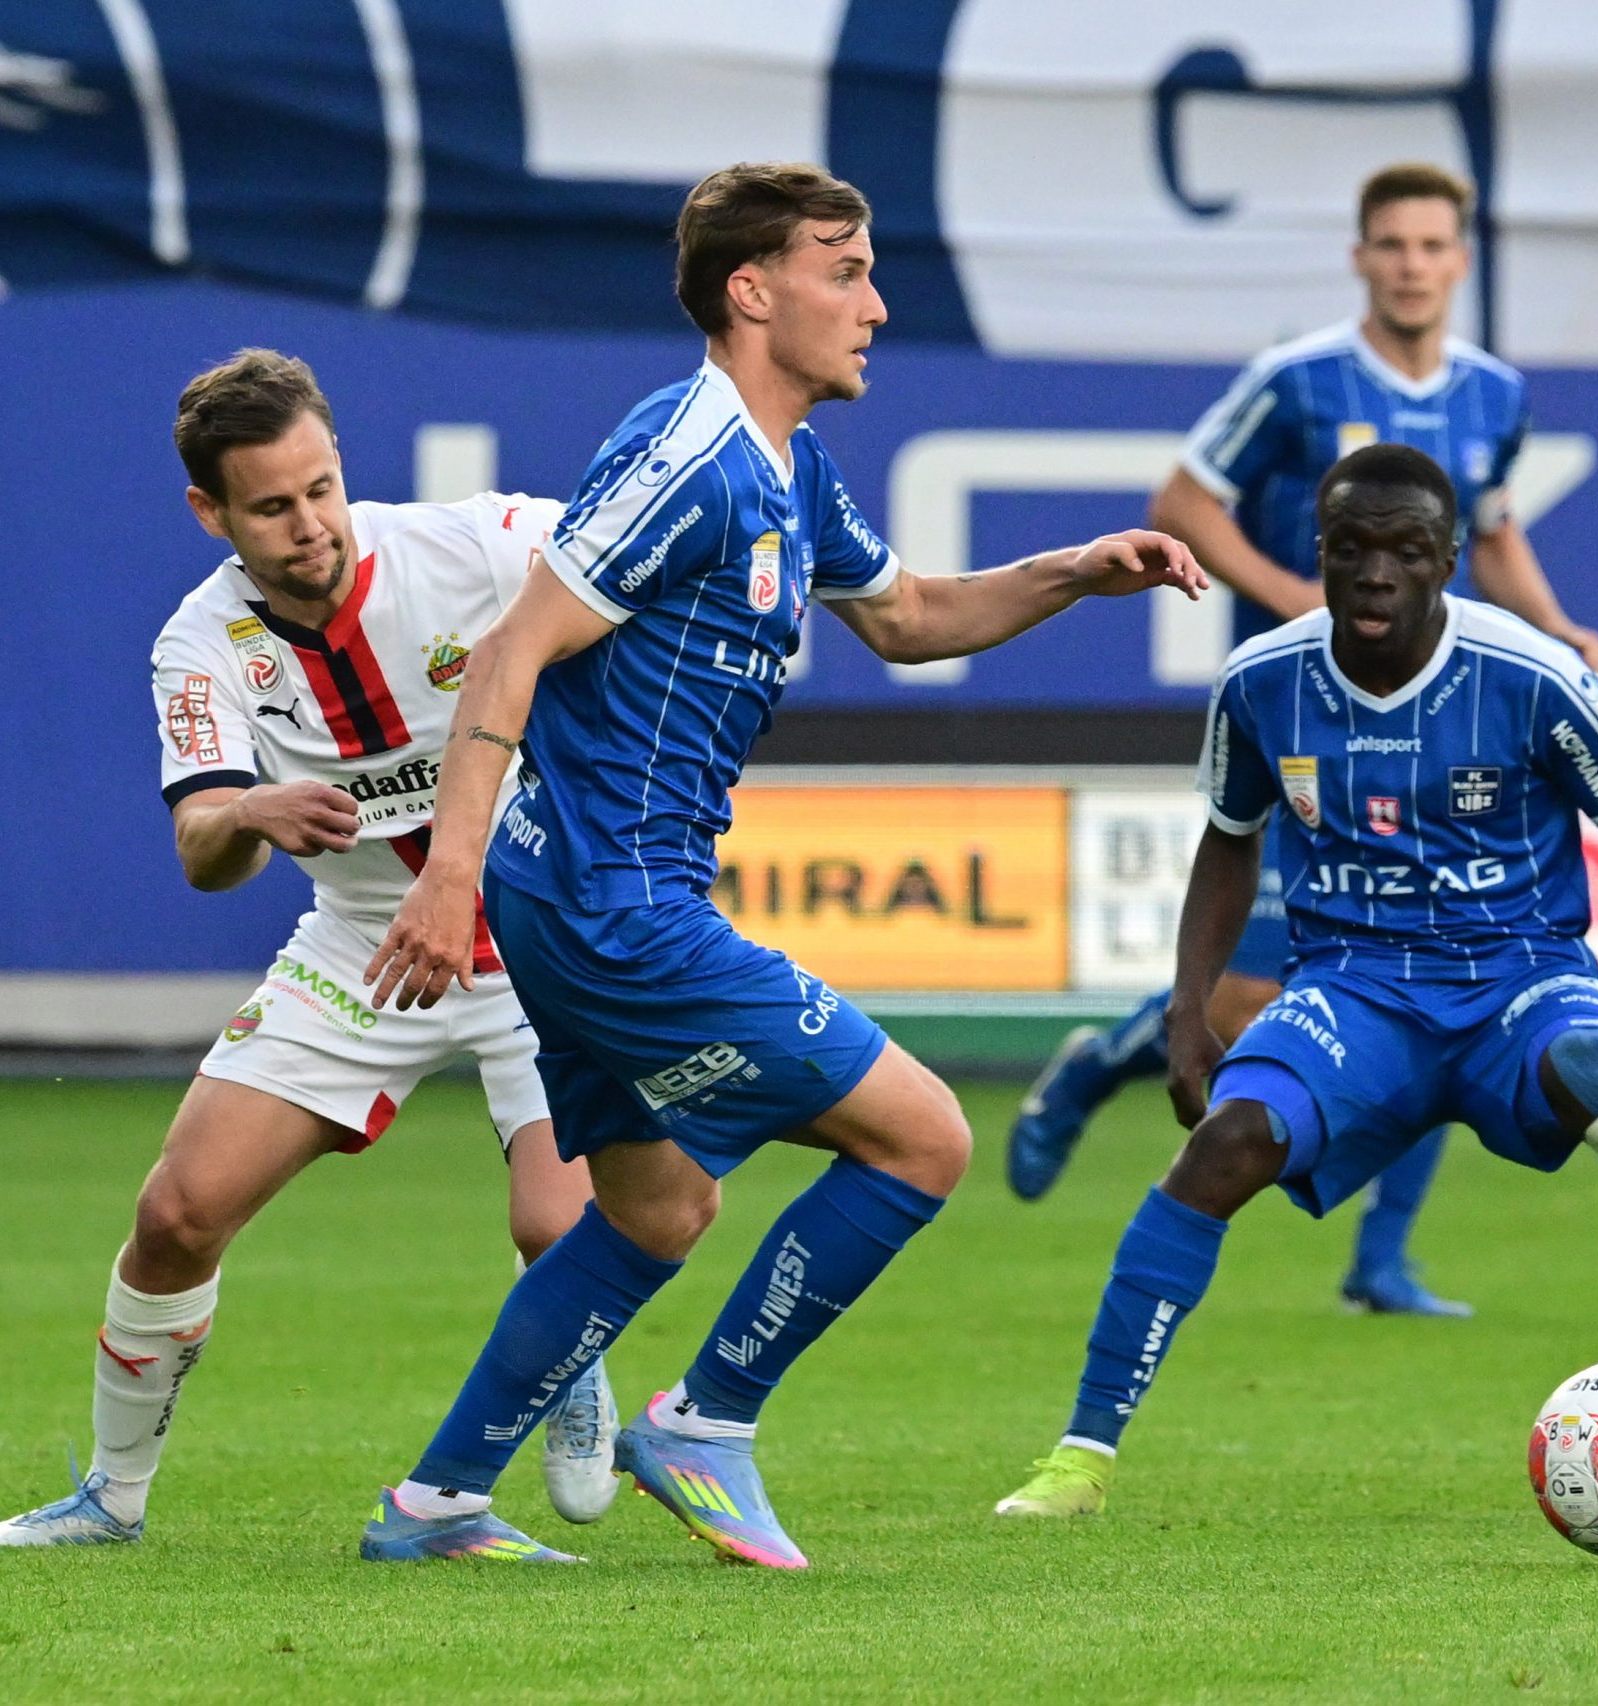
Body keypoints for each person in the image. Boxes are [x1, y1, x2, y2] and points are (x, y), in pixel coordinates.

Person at [355, 161, 1208, 1570]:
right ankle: (706, 1421)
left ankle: (435, 1502)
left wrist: (1071, 569)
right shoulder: (688, 451)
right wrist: (444, 875)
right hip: (608, 899)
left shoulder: (786, 463)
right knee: (924, 1134)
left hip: (585, 892)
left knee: (657, 1205)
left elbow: (913, 614)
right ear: (751, 291)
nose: (873, 304)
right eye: (844, 270)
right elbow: (515, 646)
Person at [995, 444, 1598, 1518]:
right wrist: (1187, 1011)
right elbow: (1229, 840)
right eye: (1351, 549)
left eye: (1405, 551)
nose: (1376, 573)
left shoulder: (1529, 672)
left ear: (1447, 560)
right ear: (1315, 553)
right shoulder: (1261, 681)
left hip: (1516, 975)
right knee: (1223, 1142)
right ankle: (1077, 1460)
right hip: (1354, 987)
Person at [0, 350, 613, 1551]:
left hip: (538, 937)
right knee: (177, 1212)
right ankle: (112, 1498)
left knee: (559, 1231)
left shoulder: (476, 544)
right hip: (360, 943)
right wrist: (245, 814)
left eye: (321, 488)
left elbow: (638, 560)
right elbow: (199, 847)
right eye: (272, 507)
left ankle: (570, 1349)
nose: (310, 525)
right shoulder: (202, 643)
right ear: (210, 512)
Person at [1008, 161, 1598, 1317]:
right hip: (1311, 729)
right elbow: (1180, 498)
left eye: (1431, 245)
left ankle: (1379, 1259)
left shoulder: (1492, 392)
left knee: (1445, 966)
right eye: (1389, 244)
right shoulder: (1295, 380)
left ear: (1459, 260)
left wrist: (1550, 626)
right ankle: (1113, 1054)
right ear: (1358, 257)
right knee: (1247, 1001)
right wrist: (1300, 599)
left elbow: (1486, 528)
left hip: (1433, 721)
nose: (1410, 264)